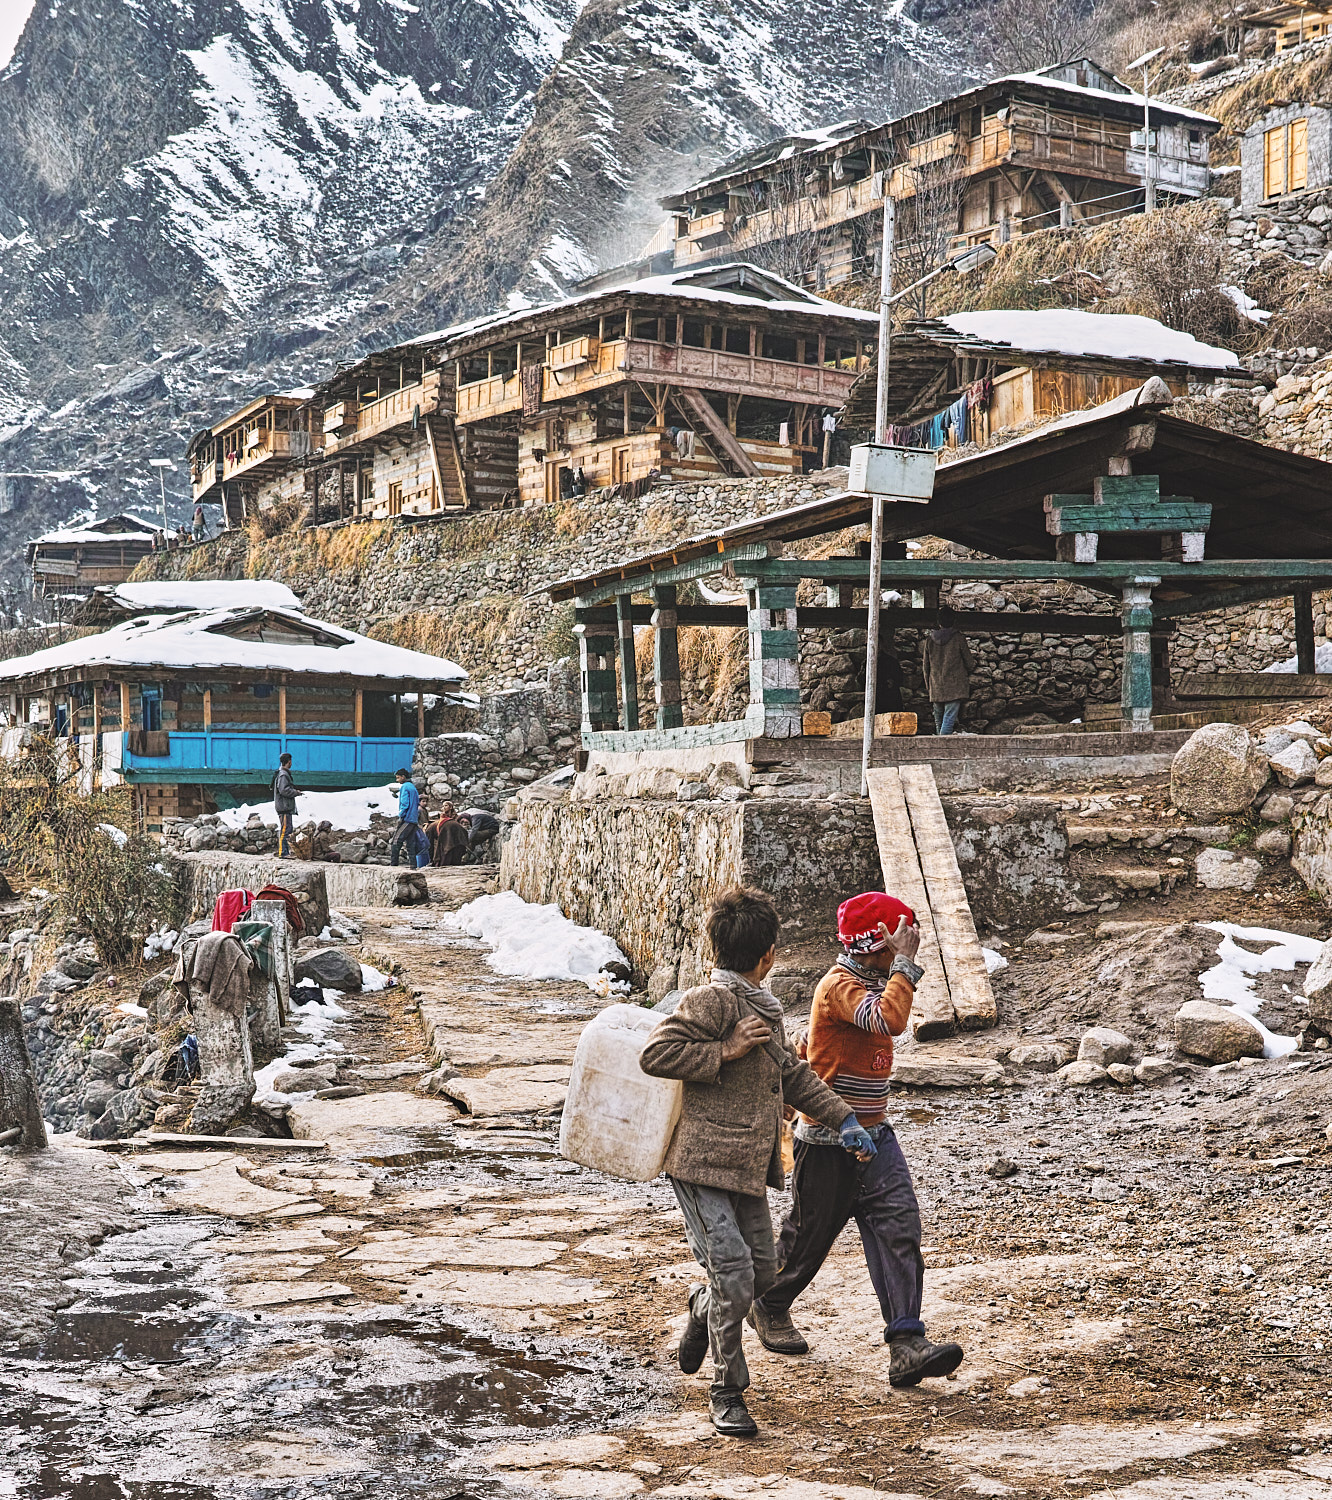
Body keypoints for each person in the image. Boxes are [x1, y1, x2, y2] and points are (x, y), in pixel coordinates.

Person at [639, 887, 878, 1438]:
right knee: (734, 1273)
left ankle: (702, 1306)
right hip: (699, 1165)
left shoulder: (764, 1010)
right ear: (769, 954)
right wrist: (725, 1050)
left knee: (761, 1275)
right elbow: (656, 1054)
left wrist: (843, 1121)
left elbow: (793, 1077)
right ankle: (728, 1391)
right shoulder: (711, 1002)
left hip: (747, 1166)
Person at [749, 890, 965, 1388]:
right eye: (900, 937)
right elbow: (887, 1019)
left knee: (898, 1225)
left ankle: (907, 1343)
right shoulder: (840, 985)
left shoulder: (870, 979)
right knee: (806, 1242)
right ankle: (765, 1302)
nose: (909, 945)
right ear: (877, 943)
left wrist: (899, 969)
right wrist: (905, 966)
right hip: (827, 1140)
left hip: (874, 1135)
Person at [920, 604, 975, 736]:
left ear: (938, 622)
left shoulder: (929, 641)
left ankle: (938, 749)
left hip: (936, 685)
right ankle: (941, 748)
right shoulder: (959, 638)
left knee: (939, 720)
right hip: (955, 687)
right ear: (954, 621)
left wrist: (929, 687)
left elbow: (925, 667)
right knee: (948, 720)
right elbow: (969, 662)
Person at [388, 769, 423, 867]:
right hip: (414, 820)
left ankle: (394, 865)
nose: (397, 780)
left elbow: (405, 804)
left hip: (407, 819)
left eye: (398, 778)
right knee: (410, 843)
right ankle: (413, 866)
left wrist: (401, 816)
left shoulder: (404, 787)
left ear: (403, 777)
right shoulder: (413, 787)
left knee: (396, 841)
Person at [272, 753, 300, 858]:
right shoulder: (283, 775)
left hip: (285, 806)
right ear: (289, 762)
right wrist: (295, 792)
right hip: (284, 806)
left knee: (287, 828)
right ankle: (282, 852)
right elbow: (284, 790)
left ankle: (284, 851)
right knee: (285, 829)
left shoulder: (281, 773)